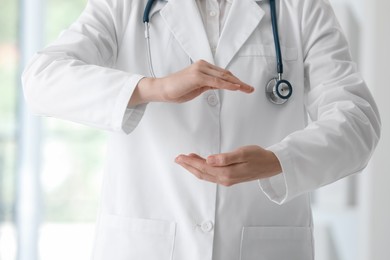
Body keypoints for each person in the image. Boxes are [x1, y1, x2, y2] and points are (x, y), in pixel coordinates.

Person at [22, 0, 381, 259]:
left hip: (263, 246)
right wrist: (154, 87)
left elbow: (357, 122)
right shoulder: (125, 7)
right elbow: (40, 80)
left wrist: (278, 161)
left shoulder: (301, 8)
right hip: (144, 246)